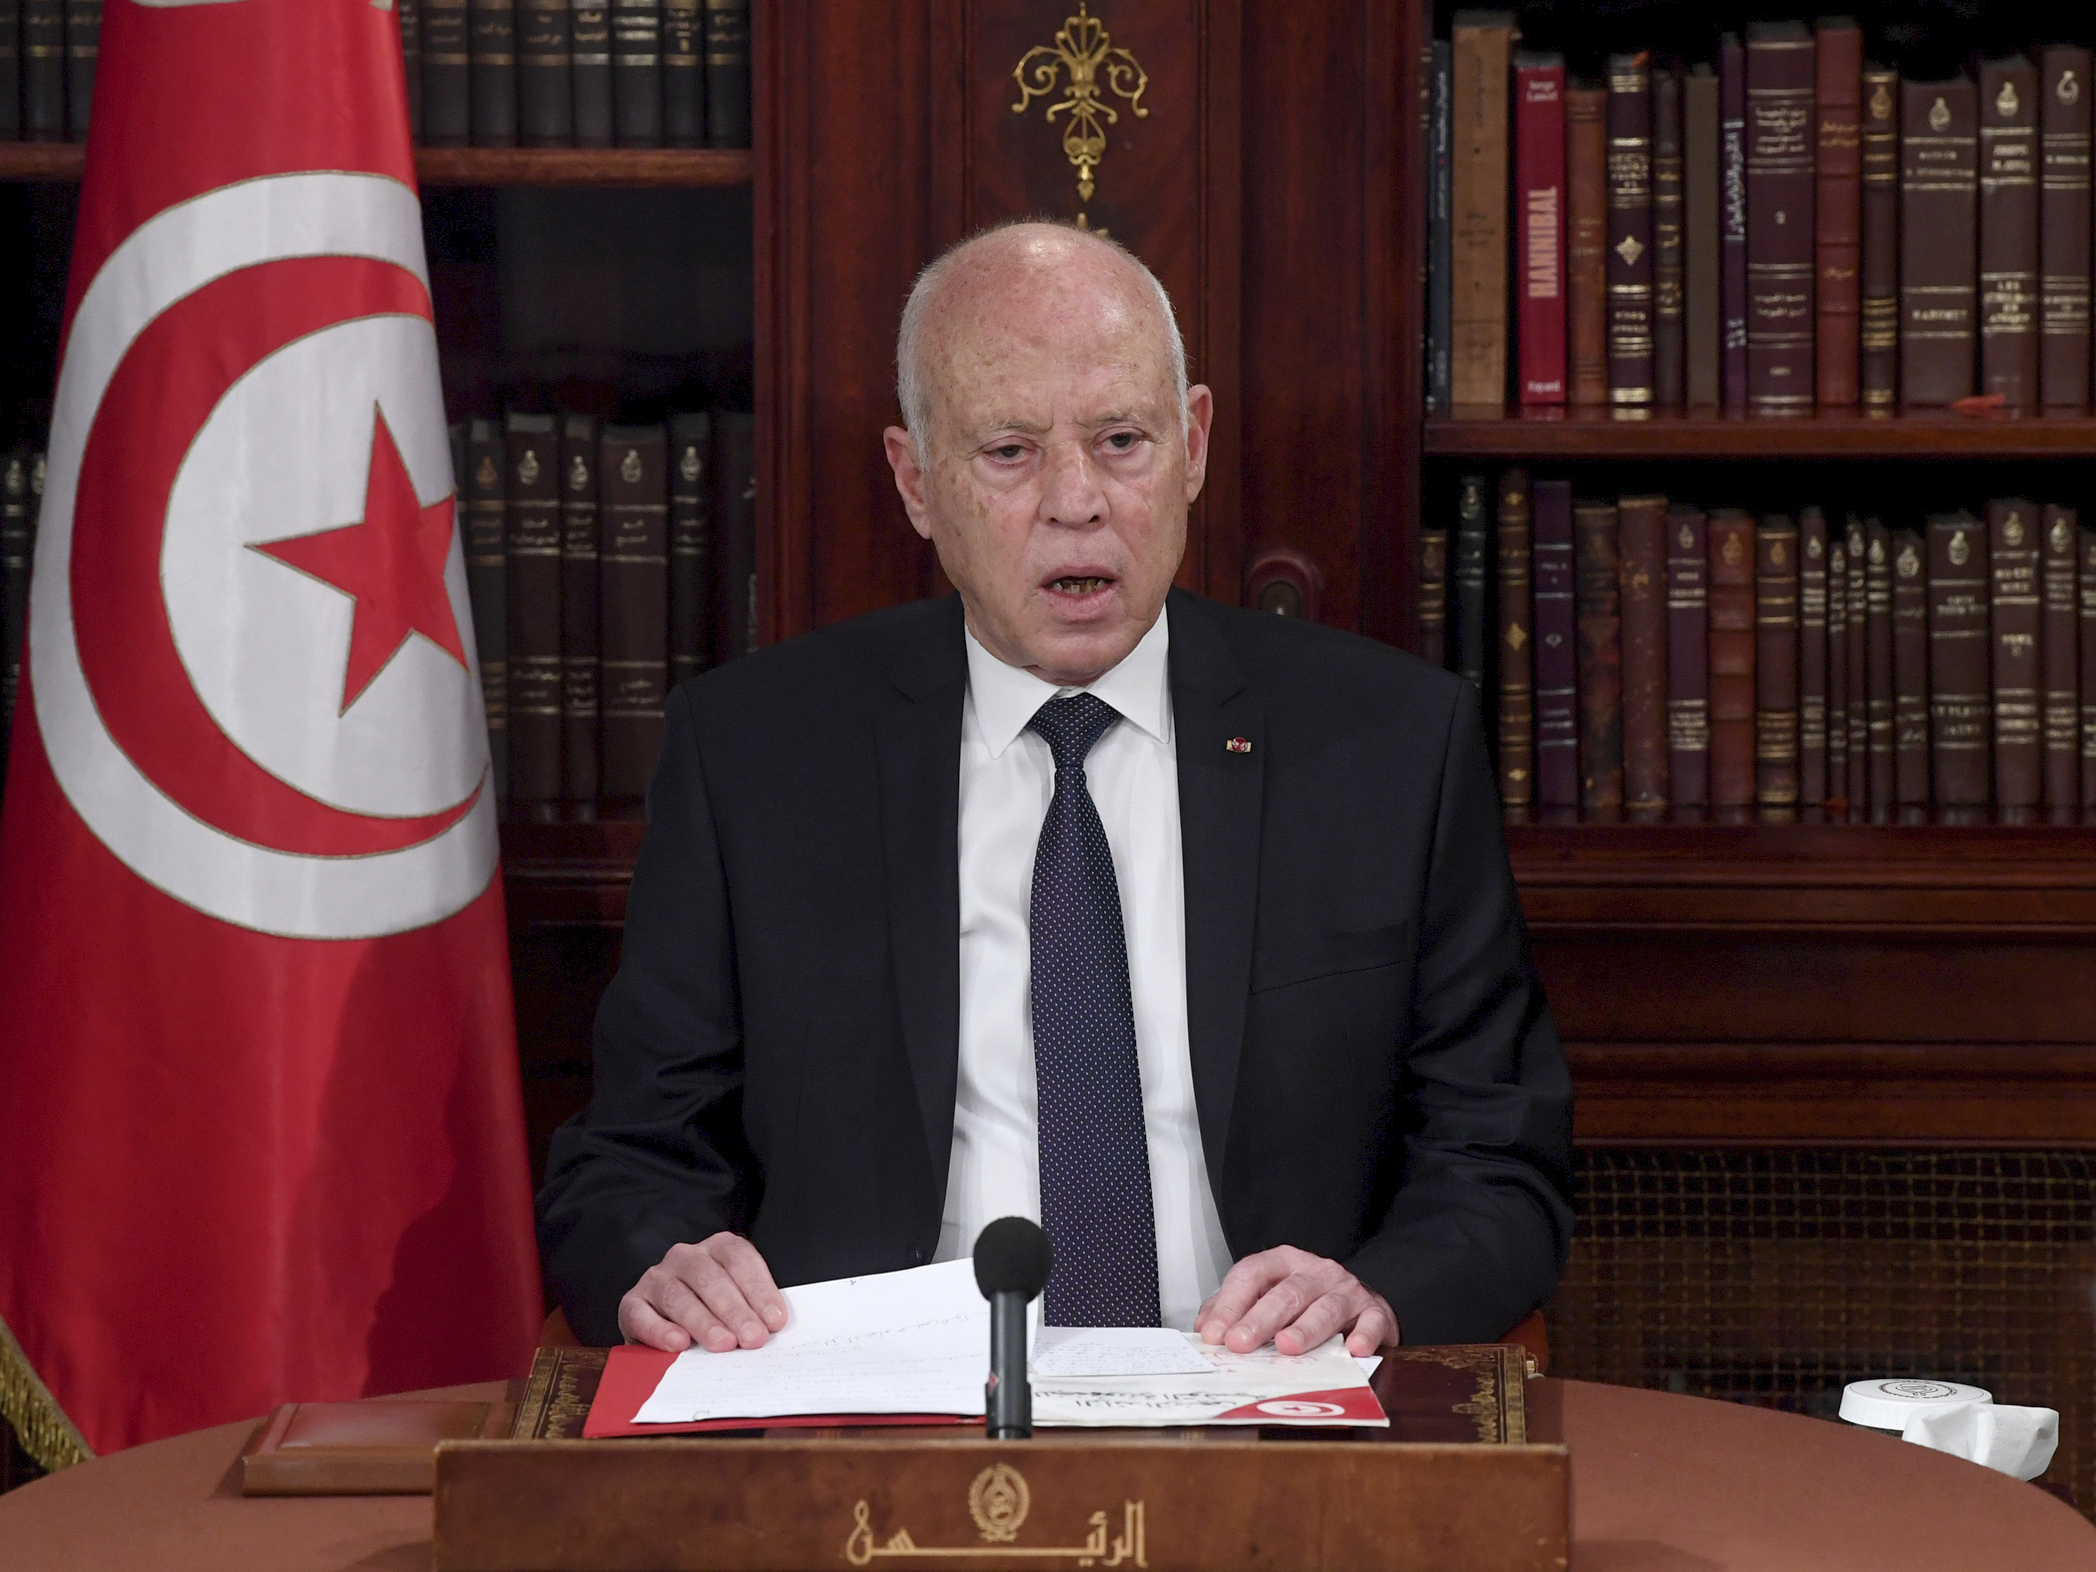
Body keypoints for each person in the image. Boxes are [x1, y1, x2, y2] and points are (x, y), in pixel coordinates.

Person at [537, 221, 1572, 1360]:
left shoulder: (1387, 745)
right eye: (1009, 452)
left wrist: (1373, 1295)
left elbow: (1498, 1156)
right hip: (868, 1419)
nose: (1076, 502)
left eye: (1121, 440)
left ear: (1191, 444)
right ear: (914, 480)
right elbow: (627, 1161)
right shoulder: (755, 755)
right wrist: (664, 1265)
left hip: (1263, 1410)